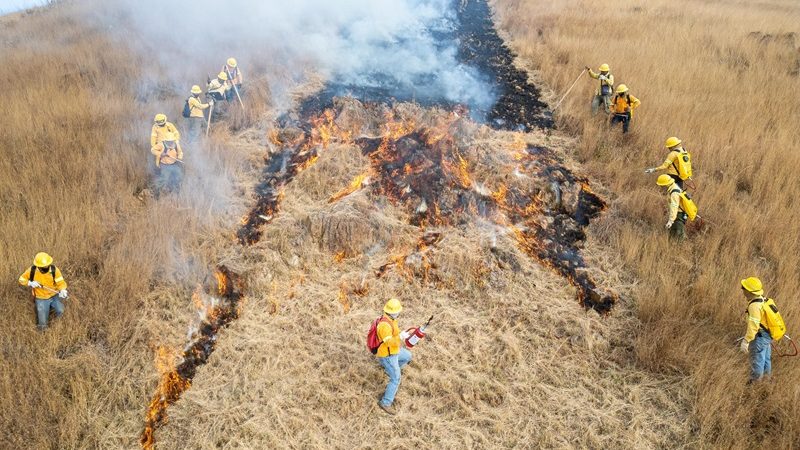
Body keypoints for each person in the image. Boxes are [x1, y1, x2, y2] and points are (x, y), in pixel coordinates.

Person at [375, 298, 413, 415]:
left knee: (407, 356)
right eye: (398, 311)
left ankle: (390, 370)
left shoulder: (391, 319)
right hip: (387, 355)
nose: (399, 313)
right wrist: (400, 338)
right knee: (396, 378)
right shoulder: (384, 325)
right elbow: (388, 342)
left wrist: (403, 335)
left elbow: (394, 334)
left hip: (394, 351)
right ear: (392, 312)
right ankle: (385, 403)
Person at [18, 252, 68, 330]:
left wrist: (62, 290)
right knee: (42, 320)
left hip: (54, 295)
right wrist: (30, 283)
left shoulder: (54, 270)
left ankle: (59, 326)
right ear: (38, 265)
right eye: (43, 266)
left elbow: (60, 282)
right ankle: (42, 331)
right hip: (41, 298)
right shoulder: (32, 270)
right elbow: (21, 279)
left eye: (47, 265)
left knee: (60, 310)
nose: (46, 267)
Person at [739, 277, 772, 383]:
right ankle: (767, 379)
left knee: (757, 360)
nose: (742, 289)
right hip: (767, 335)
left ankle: (755, 383)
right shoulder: (763, 299)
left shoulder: (754, 306)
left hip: (759, 337)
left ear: (749, 291)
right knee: (766, 358)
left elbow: (753, 326)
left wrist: (746, 341)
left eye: (743, 288)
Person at [656, 174, 688, 241]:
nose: (661, 187)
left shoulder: (674, 193)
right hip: (677, 214)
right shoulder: (673, 187)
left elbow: (674, 207)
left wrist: (671, 220)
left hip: (679, 215)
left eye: (662, 186)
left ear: (666, 184)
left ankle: (680, 248)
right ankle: (672, 245)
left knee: (678, 234)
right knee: (673, 233)